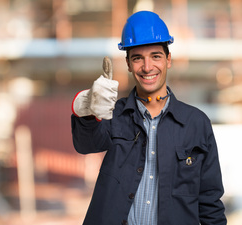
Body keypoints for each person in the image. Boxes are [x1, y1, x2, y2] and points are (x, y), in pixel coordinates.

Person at [71, 11, 227, 225]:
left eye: (155, 56)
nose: (147, 67)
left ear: (168, 59)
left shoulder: (196, 124)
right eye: (137, 58)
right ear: (128, 64)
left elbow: (210, 203)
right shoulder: (113, 114)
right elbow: (85, 144)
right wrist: (86, 109)